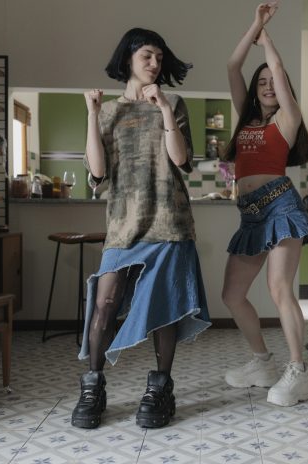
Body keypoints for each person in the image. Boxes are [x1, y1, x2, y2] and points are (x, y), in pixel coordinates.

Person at [72, 27, 211, 430]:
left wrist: (164, 107)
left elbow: (181, 160)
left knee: (163, 307)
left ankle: (160, 388)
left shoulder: (174, 103)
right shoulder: (108, 111)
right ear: (128, 58)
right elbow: (97, 173)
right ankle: (93, 386)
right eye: (147, 56)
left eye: (159, 58)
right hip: (123, 224)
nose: (154, 63)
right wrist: (92, 114)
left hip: (169, 220)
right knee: (104, 302)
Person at [220, 2, 308, 407]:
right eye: (260, 81)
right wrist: (254, 24)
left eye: (272, 81)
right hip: (250, 215)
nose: (267, 85)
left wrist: (269, 40)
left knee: (279, 289)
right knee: (232, 295)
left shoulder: (286, 120)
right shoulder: (246, 121)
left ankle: (298, 371)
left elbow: (276, 68)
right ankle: (262, 362)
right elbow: (232, 66)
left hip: (281, 208)